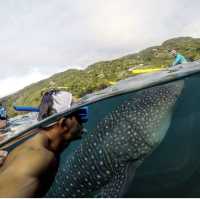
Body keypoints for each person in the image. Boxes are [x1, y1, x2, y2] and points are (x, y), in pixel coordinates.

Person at [0, 115, 83, 197]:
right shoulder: (38, 158)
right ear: (63, 123)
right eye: (80, 119)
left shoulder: (41, 148)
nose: (82, 127)